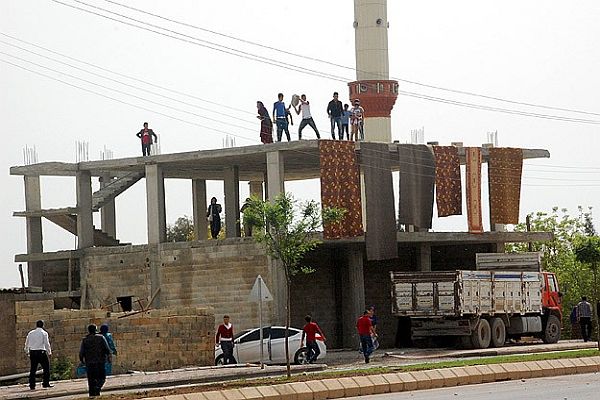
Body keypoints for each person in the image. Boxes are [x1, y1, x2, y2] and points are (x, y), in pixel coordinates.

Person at [79, 324, 111, 398]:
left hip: (89, 363)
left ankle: (92, 394)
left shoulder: (85, 339)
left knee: (91, 380)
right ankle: (97, 388)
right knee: (102, 378)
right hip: (100, 362)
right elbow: (107, 349)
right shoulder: (101, 338)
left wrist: (81, 360)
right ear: (95, 330)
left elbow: (81, 352)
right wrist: (109, 358)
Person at [24, 320, 53, 390]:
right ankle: (45, 383)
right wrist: (49, 352)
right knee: (46, 368)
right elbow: (46, 344)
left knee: (33, 369)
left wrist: (27, 351)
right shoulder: (44, 333)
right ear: (43, 325)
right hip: (41, 352)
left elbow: (27, 343)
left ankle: (32, 385)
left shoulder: (30, 333)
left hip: (33, 352)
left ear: (36, 325)